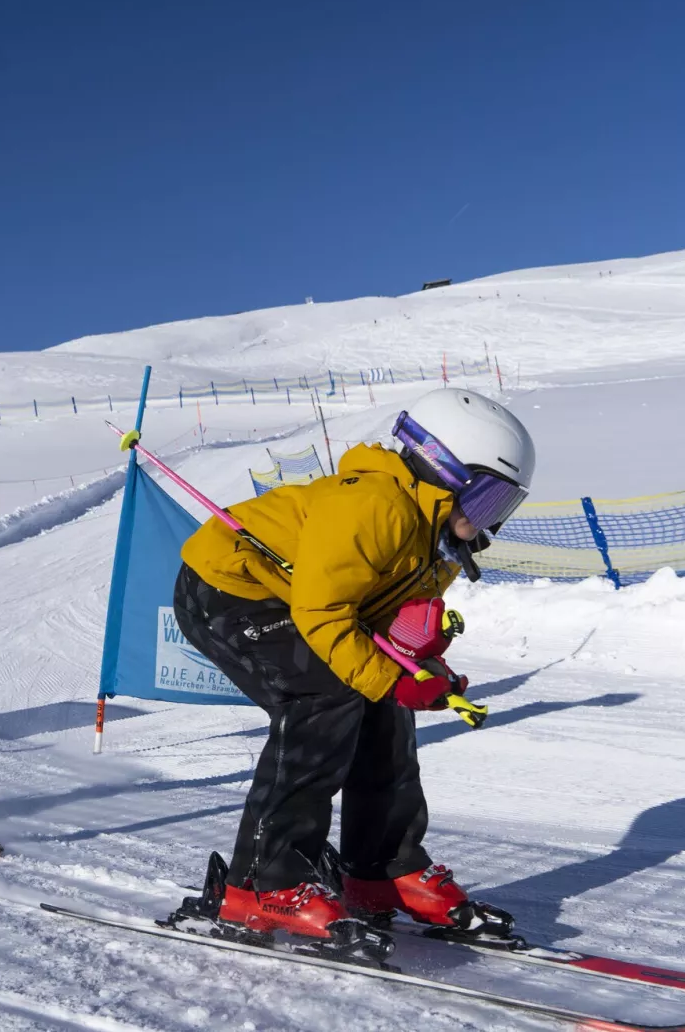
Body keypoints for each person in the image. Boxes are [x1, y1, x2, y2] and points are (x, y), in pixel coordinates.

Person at [173, 387, 535, 942]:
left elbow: (384, 626)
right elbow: (323, 614)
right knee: (323, 696)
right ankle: (267, 884)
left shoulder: (436, 541)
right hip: (230, 588)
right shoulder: (376, 506)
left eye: (503, 506)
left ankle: (382, 871)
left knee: (383, 708)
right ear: (443, 470)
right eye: (487, 499)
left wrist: (418, 673)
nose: (491, 521)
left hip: (304, 600)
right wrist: (390, 677)